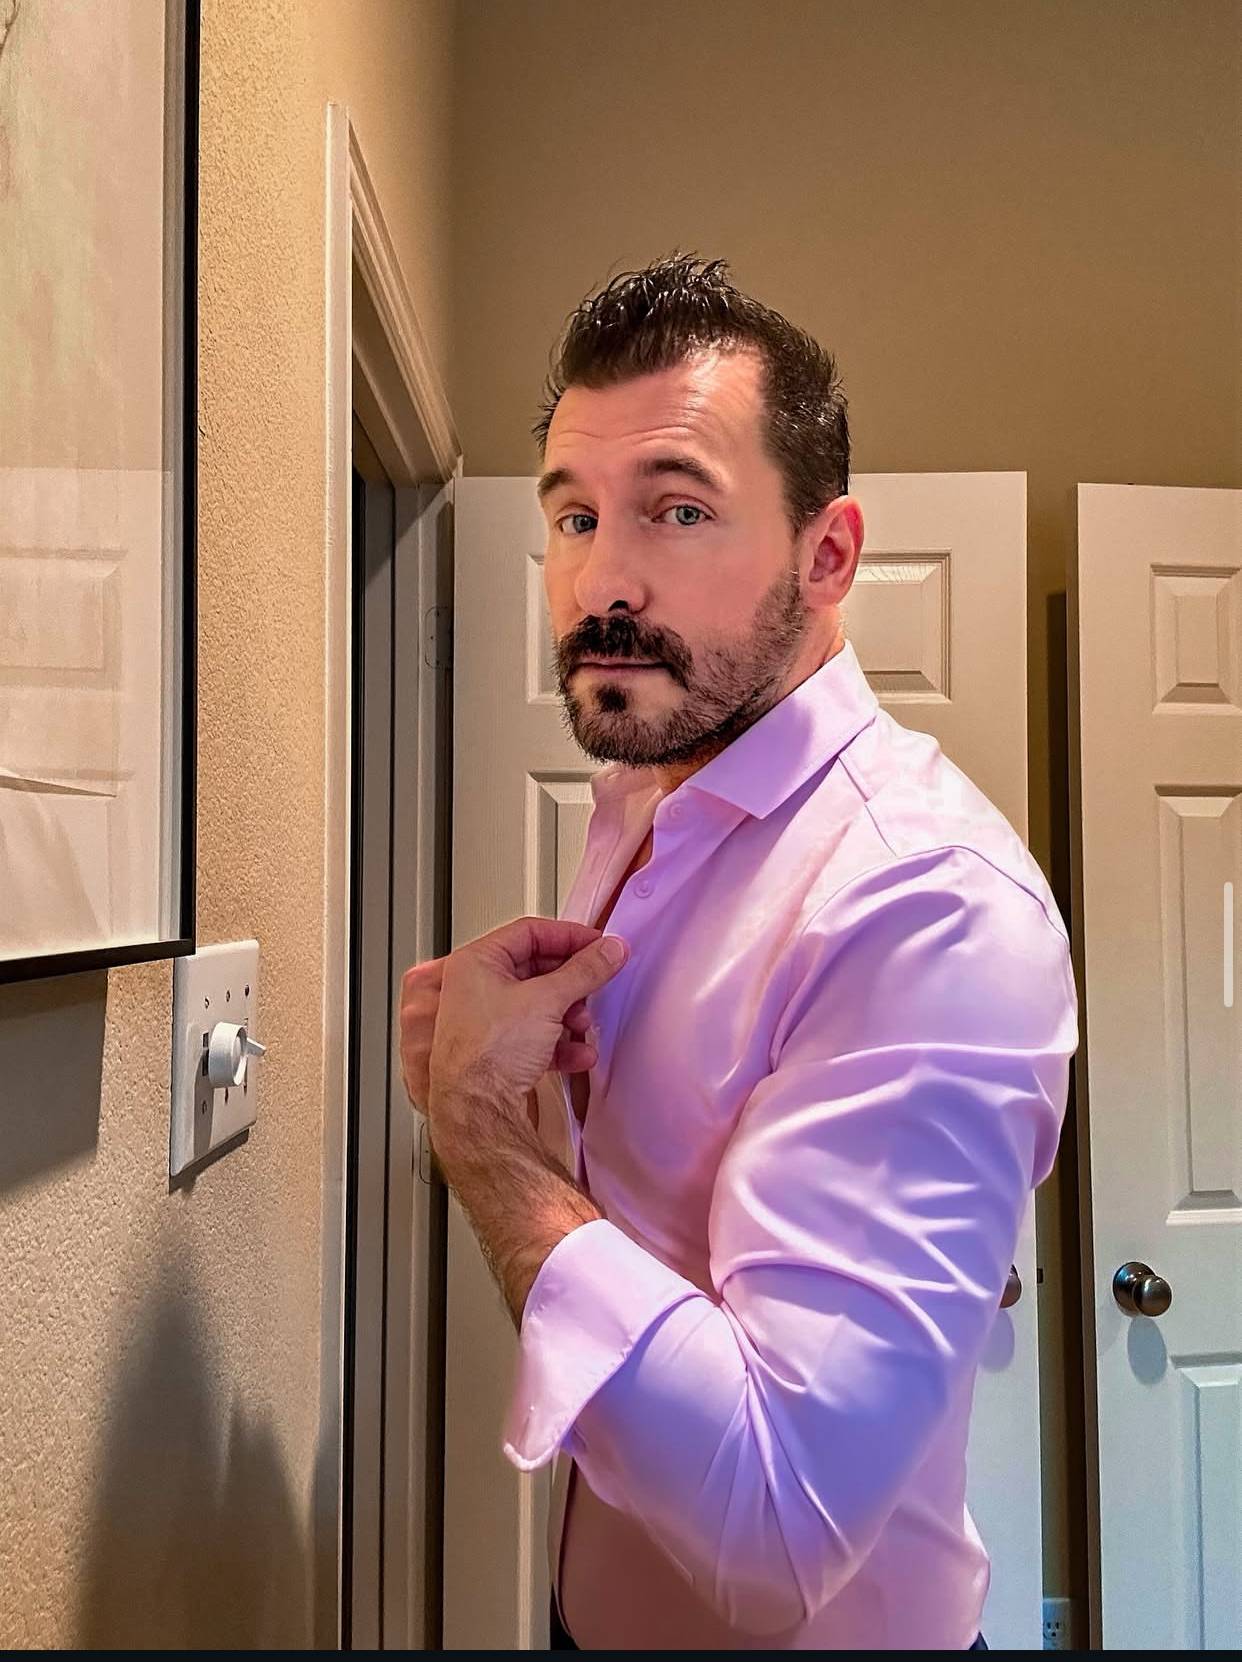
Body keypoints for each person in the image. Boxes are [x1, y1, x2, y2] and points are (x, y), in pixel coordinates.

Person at [399, 252, 1077, 1650]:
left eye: (679, 509)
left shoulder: (921, 903)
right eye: (574, 516)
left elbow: (778, 1522)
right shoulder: (651, 799)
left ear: (828, 556)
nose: (602, 579)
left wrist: (488, 1145)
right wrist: (513, 1086)